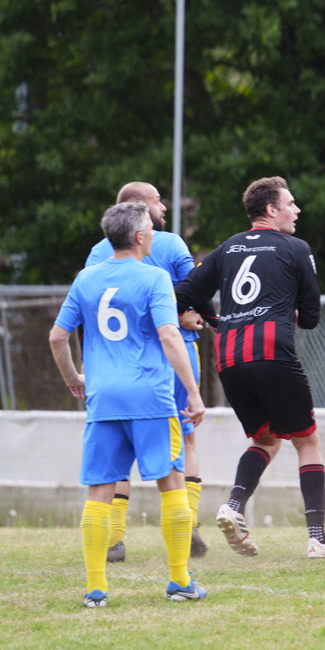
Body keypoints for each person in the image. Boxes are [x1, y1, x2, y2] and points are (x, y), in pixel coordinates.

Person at [48, 201, 209, 606]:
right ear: (139, 238)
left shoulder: (86, 279)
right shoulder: (154, 278)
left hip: (103, 399)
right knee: (171, 485)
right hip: (151, 397)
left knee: (99, 491)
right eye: (150, 231)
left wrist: (74, 380)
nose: (153, 236)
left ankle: (96, 589)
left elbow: (56, 337)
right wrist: (192, 391)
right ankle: (179, 581)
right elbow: (171, 337)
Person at [176, 177, 325, 558]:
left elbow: (183, 294)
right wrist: (288, 312)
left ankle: (233, 506)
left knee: (266, 439)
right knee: (307, 441)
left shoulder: (226, 248)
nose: (296, 210)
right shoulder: (297, 248)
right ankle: (318, 538)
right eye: (291, 203)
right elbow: (313, 316)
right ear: (271, 210)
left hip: (230, 358)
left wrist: (212, 319)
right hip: (272, 352)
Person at [81, 181, 209, 564]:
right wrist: (184, 311)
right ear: (140, 211)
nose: (164, 207)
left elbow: (89, 305)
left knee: (116, 455)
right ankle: (188, 527)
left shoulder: (97, 253)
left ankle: (114, 539)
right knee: (184, 443)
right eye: (156, 201)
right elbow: (196, 287)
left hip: (114, 365)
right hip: (171, 355)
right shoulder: (169, 244)